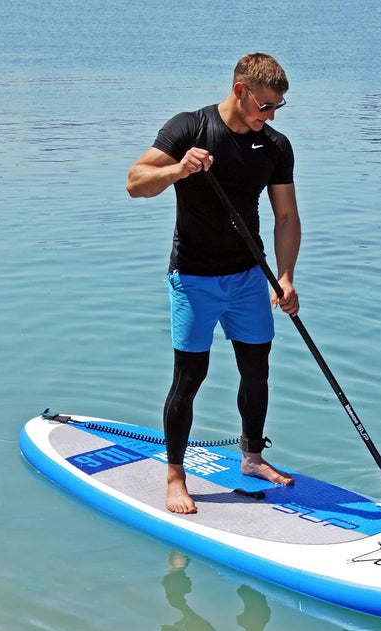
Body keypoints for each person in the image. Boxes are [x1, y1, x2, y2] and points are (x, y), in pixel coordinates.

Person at [126, 53, 301, 515]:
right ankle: (175, 476)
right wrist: (178, 170)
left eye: (277, 108)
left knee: (257, 369)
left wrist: (284, 276)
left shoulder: (276, 146)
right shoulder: (190, 129)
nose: (270, 116)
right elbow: (136, 182)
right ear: (240, 91)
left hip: (248, 276)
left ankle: (252, 457)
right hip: (194, 278)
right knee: (190, 377)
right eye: (264, 106)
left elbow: (286, 216)